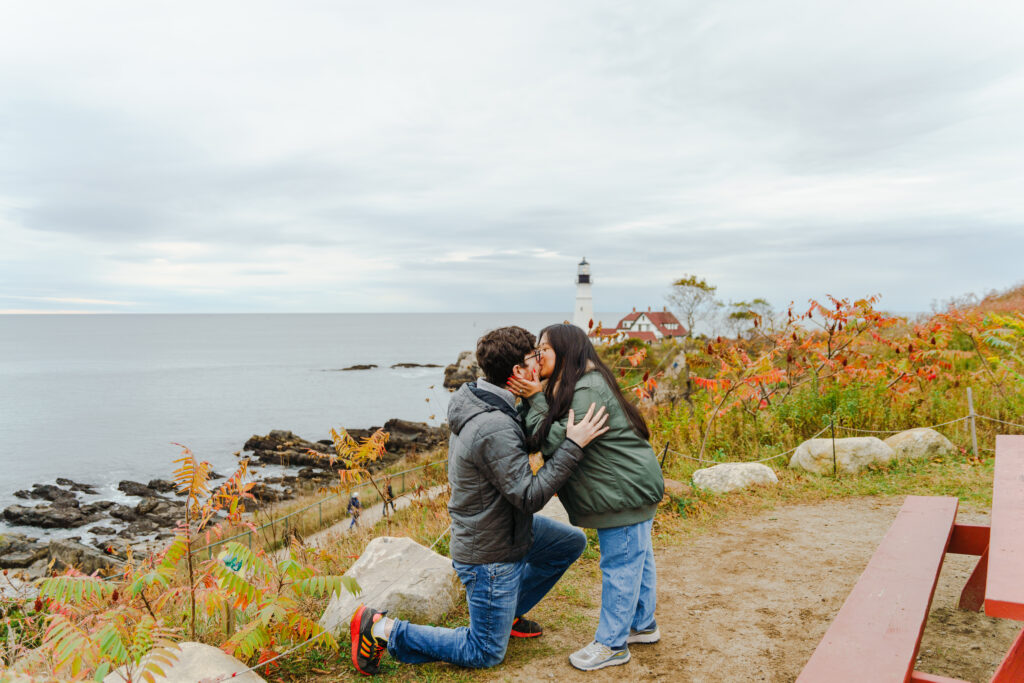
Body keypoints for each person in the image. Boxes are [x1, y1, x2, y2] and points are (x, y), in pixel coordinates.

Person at [350, 326, 609, 676]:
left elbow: (525, 442)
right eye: (534, 357)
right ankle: (381, 629)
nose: (541, 362)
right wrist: (573, 446)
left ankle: (507, 613)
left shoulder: (483, 398)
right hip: (490, 554)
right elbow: (530, 496)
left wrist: (537, 399)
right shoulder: (492, 425)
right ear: (517, 372)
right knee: (484, 651)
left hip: (505, 530)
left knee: (568, 543)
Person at [509, 323, 665, 672]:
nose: (537, 355)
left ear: (565, 350)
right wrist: (535, 396)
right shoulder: (576, 383)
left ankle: (612, 644)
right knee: (637, 559)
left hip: (622, 493)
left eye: (543, 349)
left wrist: (534, 397)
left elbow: (555, 441)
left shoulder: (586, 389)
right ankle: (642, 624)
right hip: (627, 488)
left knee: (621, 565)